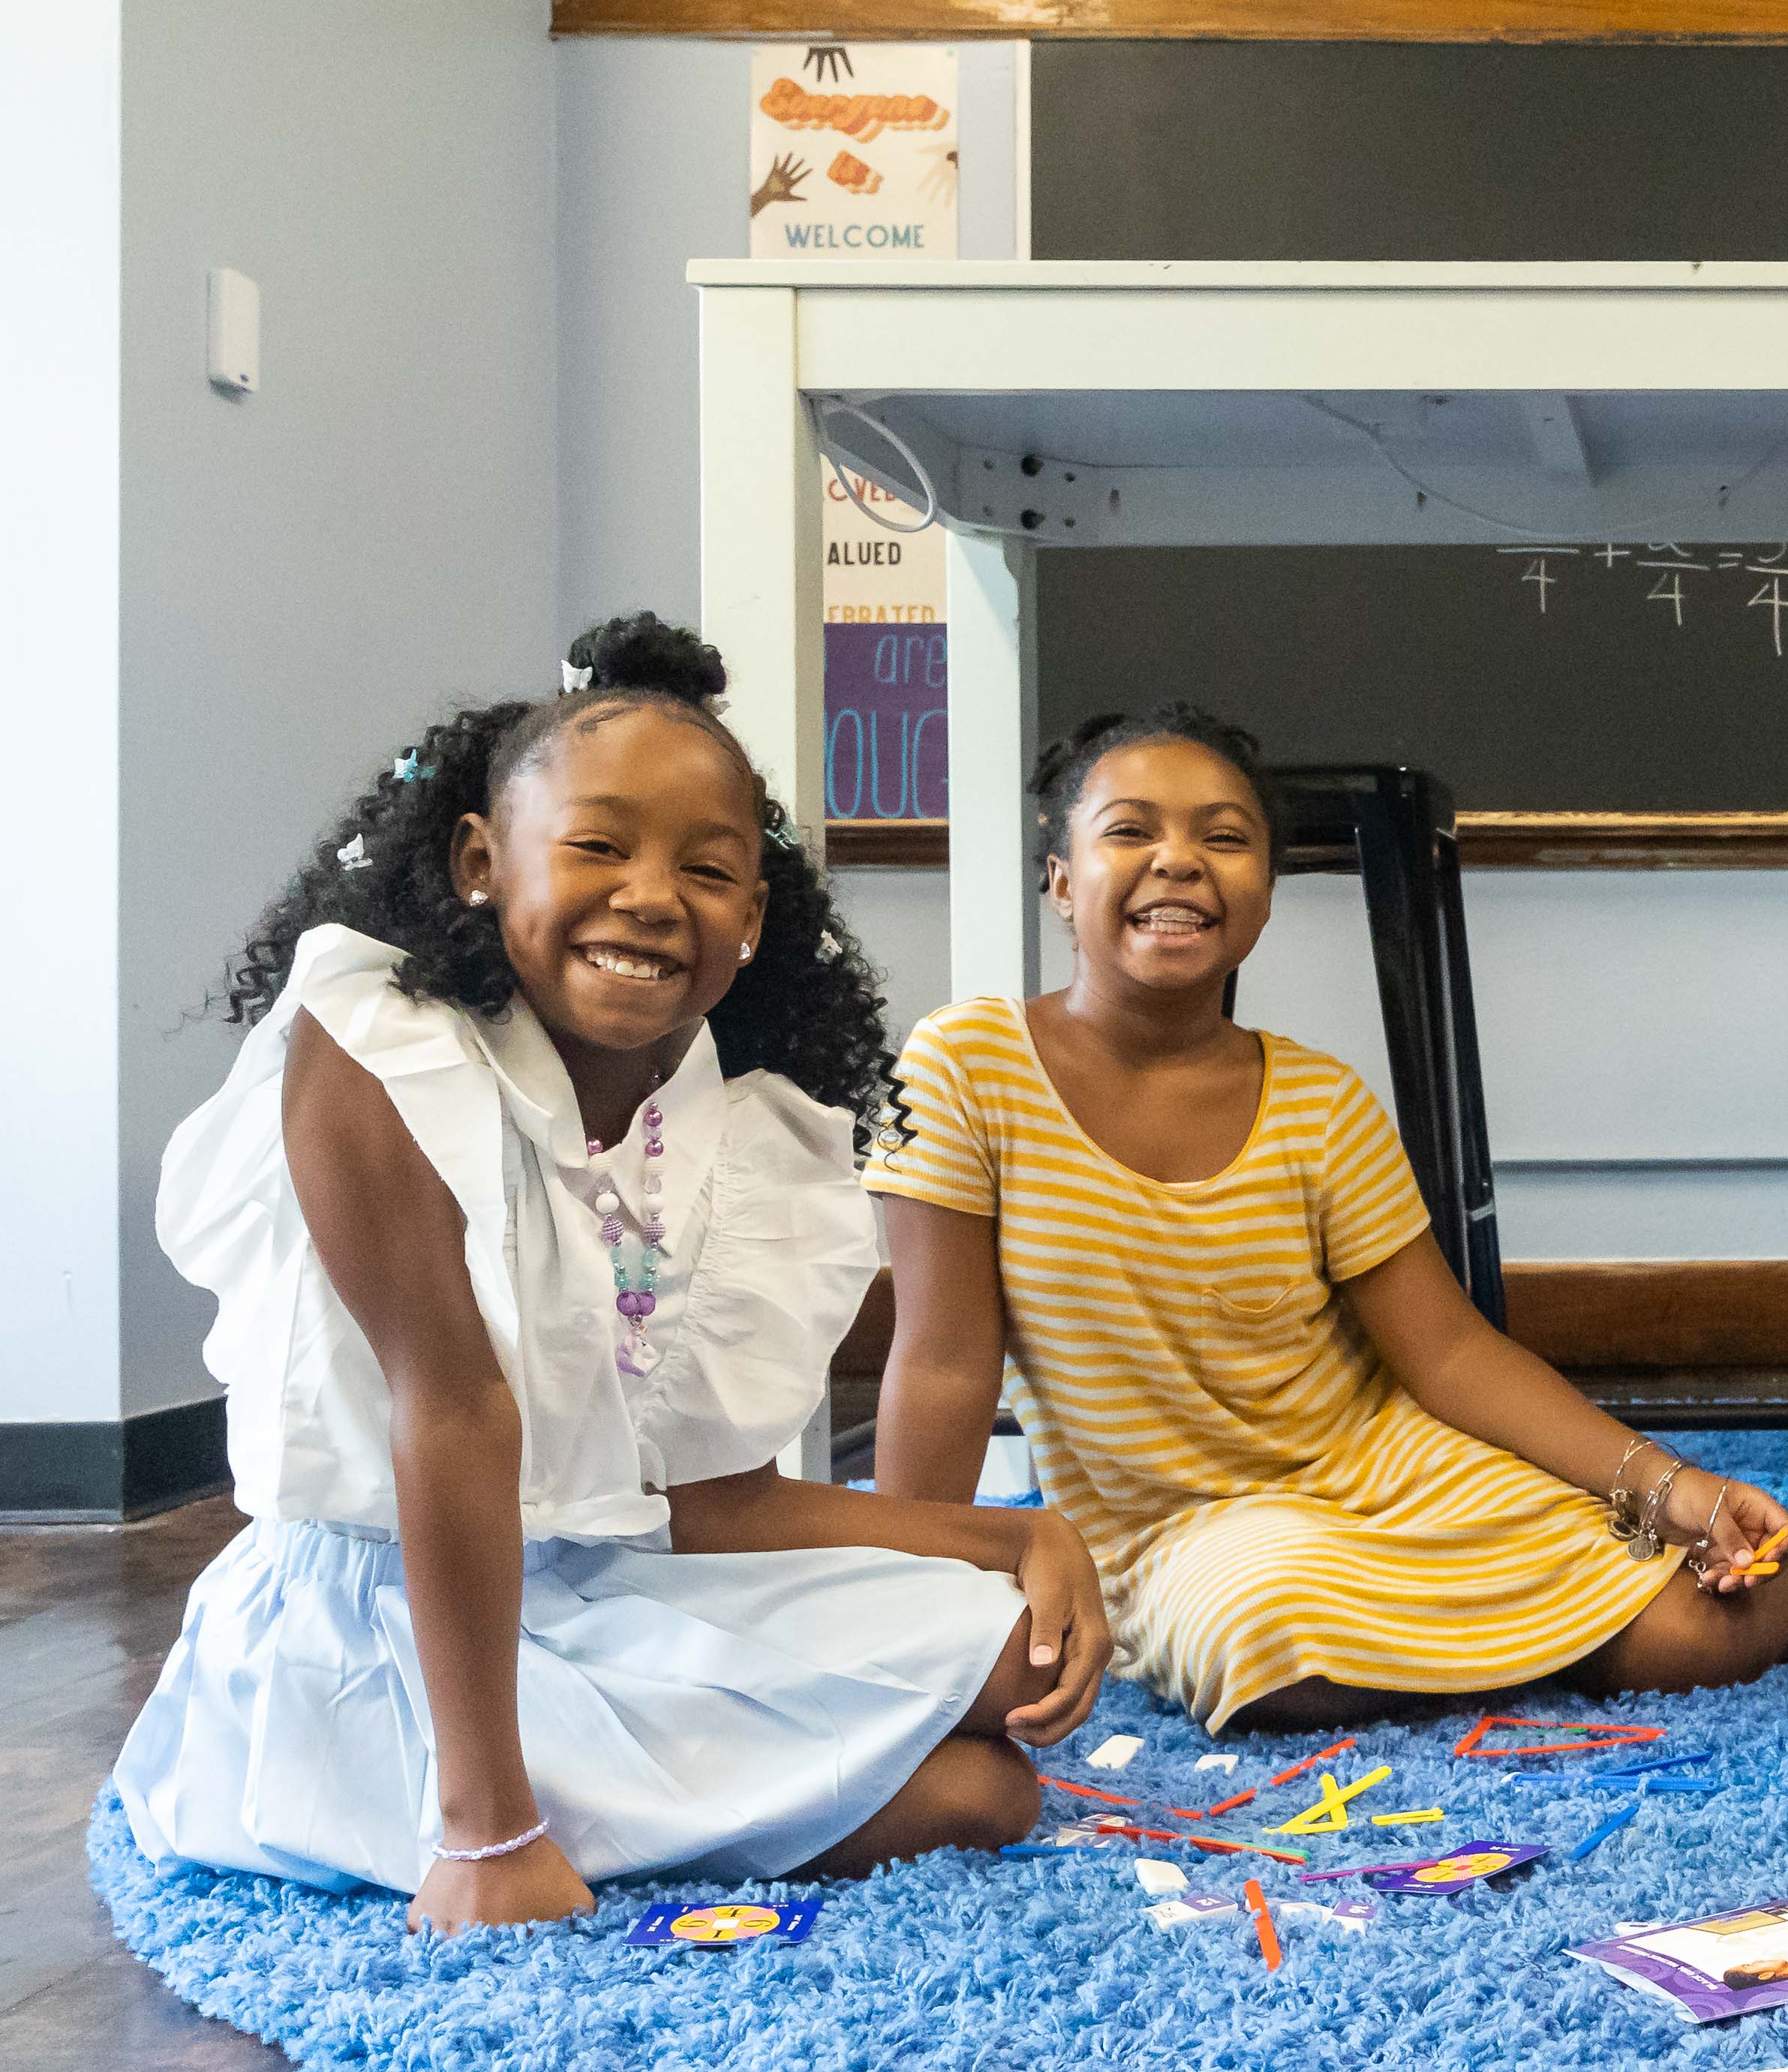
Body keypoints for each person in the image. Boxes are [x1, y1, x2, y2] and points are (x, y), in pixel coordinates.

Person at [115, 616, 1110, 1934]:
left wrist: (1015, 1533)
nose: (651, 895)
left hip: (598, 1584)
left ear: (753, 916)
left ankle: (668, 1782)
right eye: (597, 846)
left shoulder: (726, 1125)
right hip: (394, 1627)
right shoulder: (372, 1051)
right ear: (482, 860)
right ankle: (526, 1797)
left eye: (707, 868)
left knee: (1008, 1661)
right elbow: (454, 1413)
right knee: (973, 1798)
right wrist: (490, 1829)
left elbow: (705, 1503)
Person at [865, 704, 1788, 1732]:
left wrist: (1670, 1485)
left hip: (1393, 1470)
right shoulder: (963, 1067)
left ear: (1264, 897)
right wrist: (908, 1605)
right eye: (1131, 831)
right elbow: (945, 1363)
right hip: (1179, 1537)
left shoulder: (1321, 1100)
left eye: (1223, 838)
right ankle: (1520, 1645)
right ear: (1059, 878)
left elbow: (1449, 1353)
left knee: (1692, 1636)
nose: (1178, 862)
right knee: (1267, 1639)